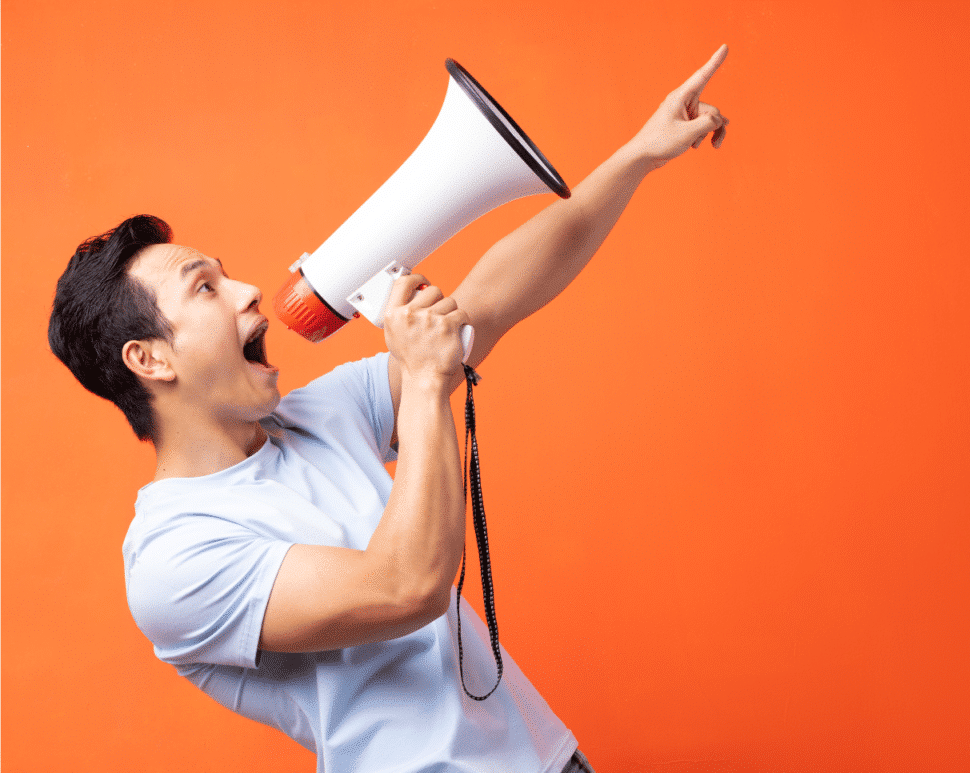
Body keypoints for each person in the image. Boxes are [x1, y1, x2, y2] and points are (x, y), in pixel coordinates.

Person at [48, 47, 730, 773]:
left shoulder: (317, 416)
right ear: (150, 360)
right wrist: (430, 380)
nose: (249, 290)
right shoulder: (171, 557)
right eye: (207, 289)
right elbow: (406, 585)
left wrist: (638, 155)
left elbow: (495, 295)